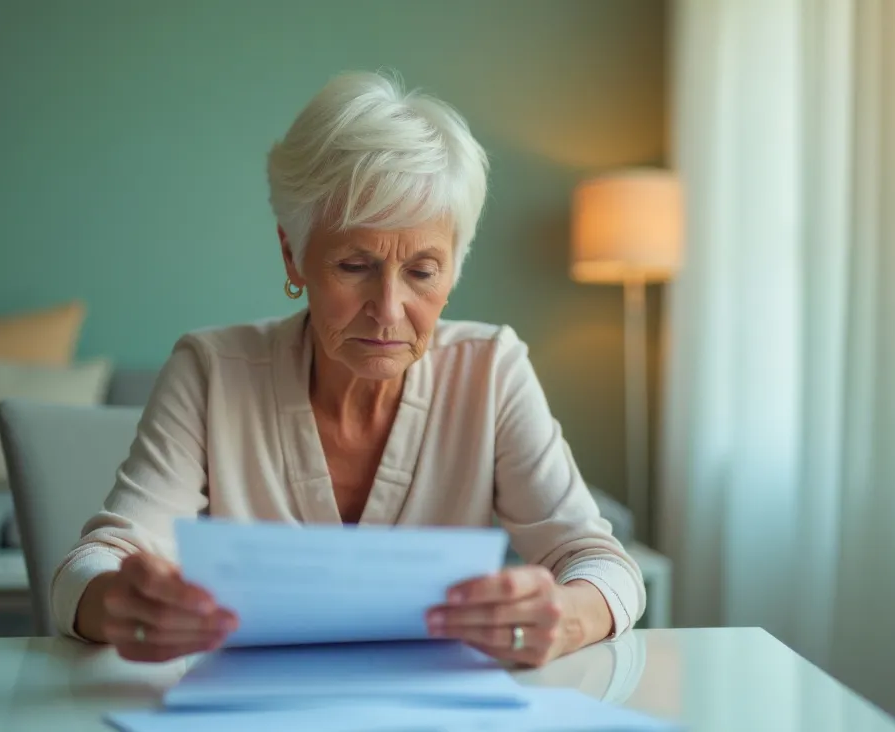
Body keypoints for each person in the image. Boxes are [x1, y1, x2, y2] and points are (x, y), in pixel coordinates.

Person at [52, 71, 646, 668]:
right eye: (355, 264)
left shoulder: (491, 370)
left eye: (421, 271)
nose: (388, 311)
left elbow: (601, 563)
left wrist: (566, 618)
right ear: (294, 254)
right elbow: (92, 564)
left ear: (454, 270)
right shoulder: (211, 371)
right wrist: (121, 601)